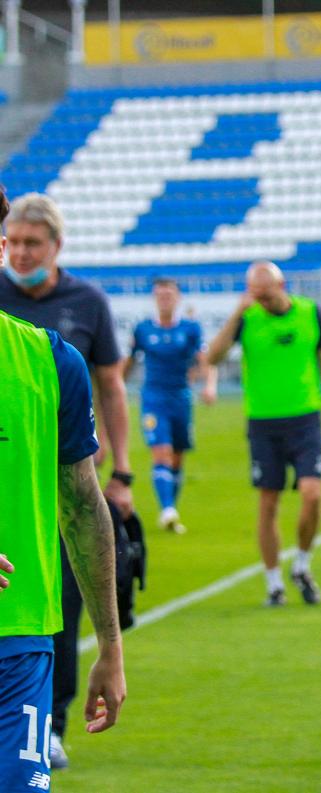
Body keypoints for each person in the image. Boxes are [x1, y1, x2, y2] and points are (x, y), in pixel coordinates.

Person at [0, 191, 133, 768]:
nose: (21, 252)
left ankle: (56, 722)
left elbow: (81, 506)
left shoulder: (52, 359)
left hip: (20, 637)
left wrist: (111, 646)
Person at [206, 261, 321, 607]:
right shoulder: (247, 319)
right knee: (268, 501)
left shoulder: (309, 312)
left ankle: (301, 564)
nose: (261, 301)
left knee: (312, 493)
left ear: (282, 285)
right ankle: (274, 583)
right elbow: (212, 357)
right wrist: (236, 314)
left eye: (266, 295)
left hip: (305, 418)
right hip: (263, 422)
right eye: (255, 295)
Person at [122, 277, 217, 534]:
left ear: (177, 298)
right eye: (160, 295)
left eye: (169, 295)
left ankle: (170, 507)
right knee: (161, 452)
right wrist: (116, 387)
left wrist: (209, 384)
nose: (164, 299)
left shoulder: (190, 329)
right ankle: (167, 510)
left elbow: (205, 360)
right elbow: (129, 362)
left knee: (176, 458)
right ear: (154, 298)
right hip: (153, 399)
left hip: (181, 399)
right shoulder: (143, 329)